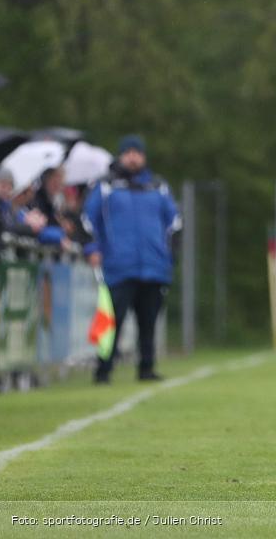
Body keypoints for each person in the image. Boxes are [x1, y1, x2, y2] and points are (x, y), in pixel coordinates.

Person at [82, 135, 181, 383]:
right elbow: (87, 220)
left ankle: (146, 368)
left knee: (148, 323)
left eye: (138, 152)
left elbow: (176, 223)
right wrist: (93, 248)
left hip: (154, 266)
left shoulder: (158, 186)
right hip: (119, 266)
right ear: (121, 155)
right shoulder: (106, 186)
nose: (133, 157)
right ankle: (103, 370)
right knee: (113, 321)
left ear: (144, 157)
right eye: (129, 152)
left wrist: (170, 257)